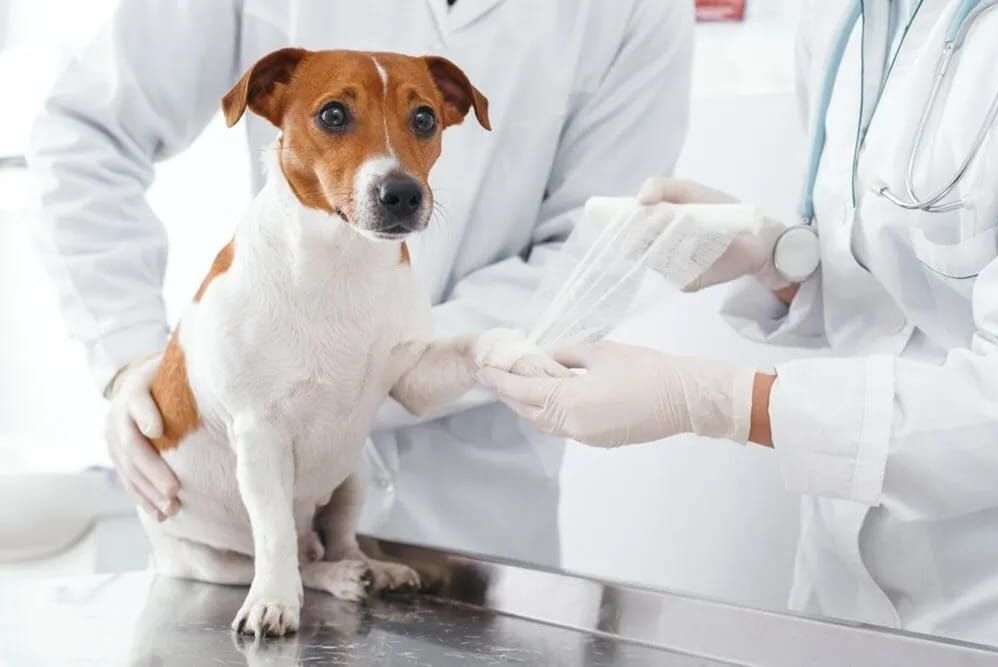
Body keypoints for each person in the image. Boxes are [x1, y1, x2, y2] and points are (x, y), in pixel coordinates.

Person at [28, 0, 693, 567]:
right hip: (237, 520)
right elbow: (89, 133)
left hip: (480, 516)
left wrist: (375, 361)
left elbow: (600, 250)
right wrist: (128, 353)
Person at [478, 0, 998, 645]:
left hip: (982, 589)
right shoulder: (845, 20)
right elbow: (897, 298)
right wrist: (778, 258)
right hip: (840, 577)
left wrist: (716, 401)